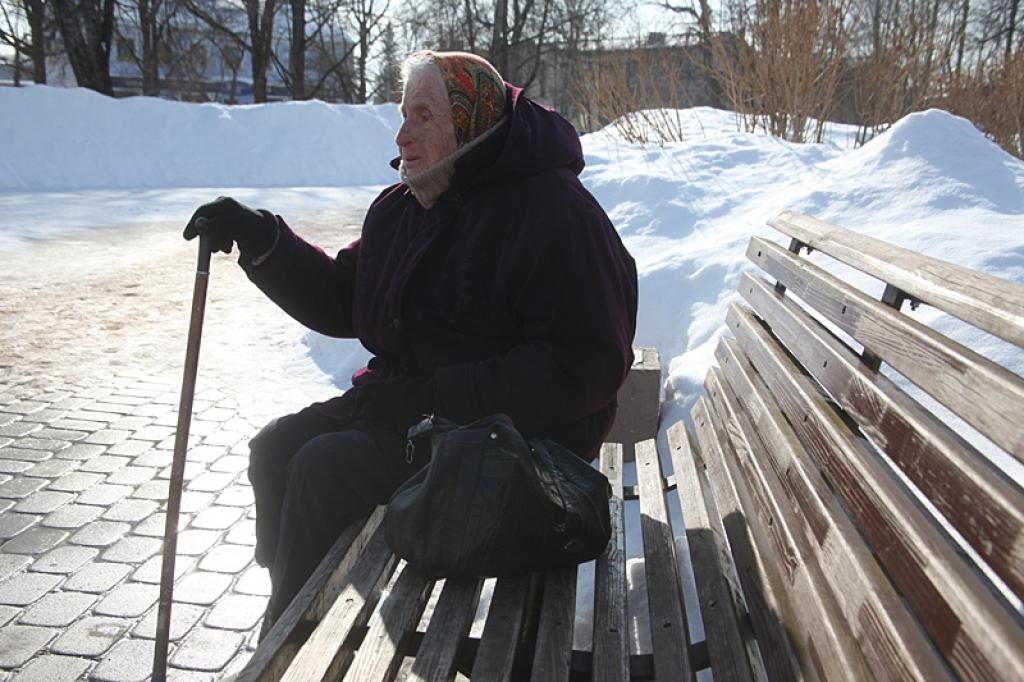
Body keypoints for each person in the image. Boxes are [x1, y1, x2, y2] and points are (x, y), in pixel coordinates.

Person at [182, 50, 638, 631]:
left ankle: (291, 640)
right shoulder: (406, 205)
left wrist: (437, 397)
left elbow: (586, 365)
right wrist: (262, 237)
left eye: (423, 116)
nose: (402, 134)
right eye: (403, 115)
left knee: (323, 469)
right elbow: (347, 298)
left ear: (470, 122)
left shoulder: (553, 213)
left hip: (512, 445)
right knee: (274, 449)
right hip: (413, 416)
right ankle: (302, 608)